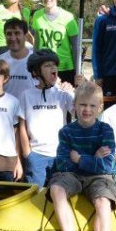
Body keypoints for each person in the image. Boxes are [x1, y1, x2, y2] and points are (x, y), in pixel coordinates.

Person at [48, 81, 116, 231]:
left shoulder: (105, 130)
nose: (87, 110)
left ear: (99, 108)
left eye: (92, 106)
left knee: (103, 200)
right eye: (82, 105)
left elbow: (107, 165)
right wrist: (92, 159)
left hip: (99, 177)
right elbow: (62, 164)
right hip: (73, 176)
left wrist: (80, 158)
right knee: (56, 188)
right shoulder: (67, 132)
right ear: (74, 106)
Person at [18, 49, 75, 186]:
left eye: (54, 65)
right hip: (36, 155)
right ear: (36, 72)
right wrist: (28, 155)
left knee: (58, 193)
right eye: (47, 66)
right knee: (36, 196)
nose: (53, 68)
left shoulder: (62, 93)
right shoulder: (26, 95)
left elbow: (79, 114)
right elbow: (22, 127)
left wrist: (72, 93)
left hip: (60, 154)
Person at [30, 0, 79, 85]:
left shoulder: (68, 17)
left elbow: (75, 46)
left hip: (65, 67)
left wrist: (77, 70)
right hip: (44, 67)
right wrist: (34, 63)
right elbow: (37, 42)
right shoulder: (37, 16)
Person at [0, 18, 37, 101]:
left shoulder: (38, 61)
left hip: (31, 111)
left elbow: (53, 83)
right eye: (9, 34)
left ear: (26, 36)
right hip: (7, 112)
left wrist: (65, 86)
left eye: (17, 33)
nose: (13, 38)